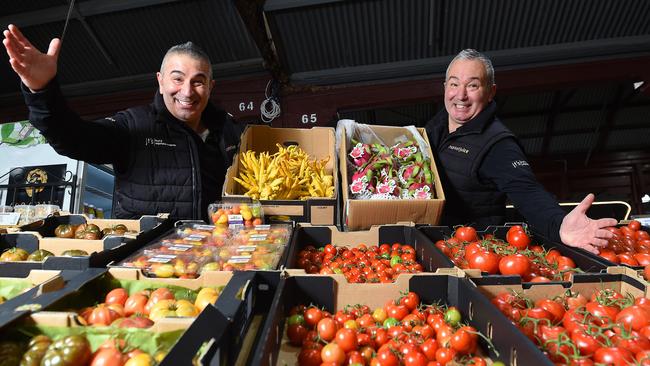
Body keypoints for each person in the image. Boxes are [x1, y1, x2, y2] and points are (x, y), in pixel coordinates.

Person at [2, 24, 241, 220]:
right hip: (144, 264)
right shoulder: (133, 125)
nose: (187, 92)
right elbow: (72, 138)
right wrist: (42, 91)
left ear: (211, 86)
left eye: (198, 81)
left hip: (214, 257)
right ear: (160, 81)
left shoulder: (229, 133)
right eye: (177, 79)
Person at [425, 49, 617, 254]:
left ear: (491, 92)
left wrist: (559, 225)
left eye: (473, 85)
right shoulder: (437, 125)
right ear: (446, 87)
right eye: (454, 84)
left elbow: (528, 192)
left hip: (470, 253)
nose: (461, 95)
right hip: (434, 243)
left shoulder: (498, 144)